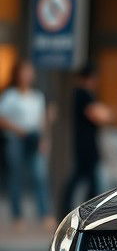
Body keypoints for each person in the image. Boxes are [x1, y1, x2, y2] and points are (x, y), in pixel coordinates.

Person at [0, 60, 53, 231]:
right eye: (24, 72)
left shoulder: (37, 96)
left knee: (39, 176)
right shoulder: (10, 96)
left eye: (30, 72)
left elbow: (42, 121)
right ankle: (17, 217)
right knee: (16, 177)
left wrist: (44, 140)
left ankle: (44, 214)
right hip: (16, 138)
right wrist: (18, 130)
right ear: (17, 74)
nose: (27, 75)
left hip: (34, 138)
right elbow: (2, 119)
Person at [62, 63, 111, 217]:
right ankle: (89, 211)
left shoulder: (81, 94)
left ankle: (84, 210)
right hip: (86, 144)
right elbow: (97, 115)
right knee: (87, 179)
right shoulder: (83, 94)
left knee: (84, 178)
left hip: (86, 142)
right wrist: (106, 114)